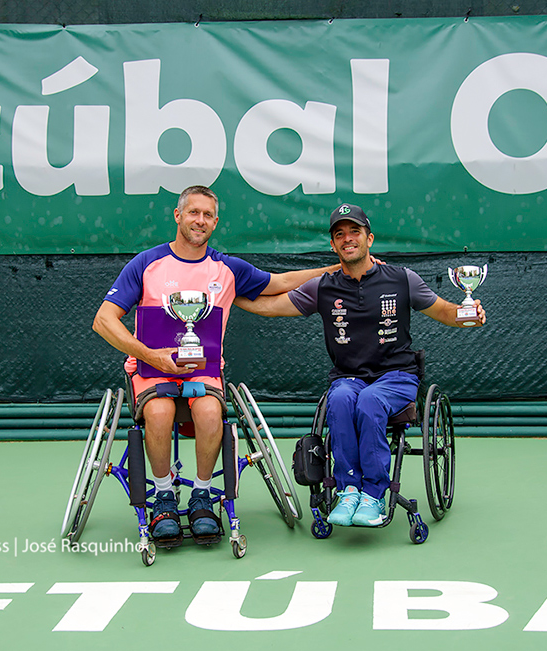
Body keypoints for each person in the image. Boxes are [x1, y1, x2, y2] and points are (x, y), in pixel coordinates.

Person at [92, 185, 338, 543]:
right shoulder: (146, 264)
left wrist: (336, 268)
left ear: (216, 222)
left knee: (209, 413)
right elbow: (103, 320)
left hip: (204, 372)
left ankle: (202, 495)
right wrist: (150, 355)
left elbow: (280, 283)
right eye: (193, 212)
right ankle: (163, 496)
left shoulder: (226, 269)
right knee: (158, 414)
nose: (200, 221)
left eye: (207, 215)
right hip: (150, 370)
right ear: (178, 215)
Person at [235, 203, 485, 528]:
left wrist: (470, 314)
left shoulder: (402, 279)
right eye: (340, 234)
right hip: (348, 378)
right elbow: (270, 307)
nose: (347, 238)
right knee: (339, 399)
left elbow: (446, 311)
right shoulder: (322, 286)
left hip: (396, 377)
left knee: (369, 402)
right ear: (333, 245)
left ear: (369, 239)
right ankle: (349, 490)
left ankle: (373, 494)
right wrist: (225, 293)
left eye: (355, 232)